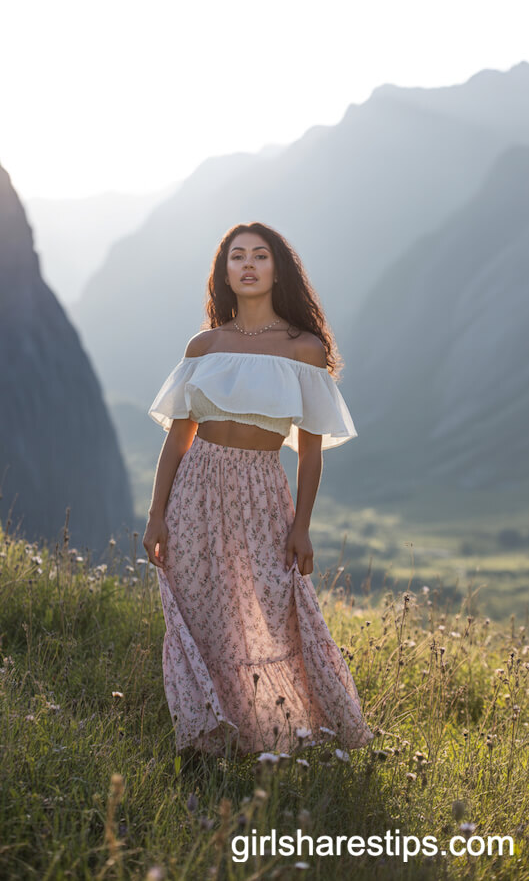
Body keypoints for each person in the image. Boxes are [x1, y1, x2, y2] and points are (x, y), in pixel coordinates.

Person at [143, 221, 373, 759]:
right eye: (237, 256)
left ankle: (285, 733)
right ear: (224, 271)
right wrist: (157, 515)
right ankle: (205, 740)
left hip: (263, 491)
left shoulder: (304, 349)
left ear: (277, 269)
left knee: (272, 613)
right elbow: (179, 440)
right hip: (196, 489)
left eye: (260, 256)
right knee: (202, 616)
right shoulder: (205, 345)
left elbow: (310, 452)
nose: (247, 265)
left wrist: (302, 527)